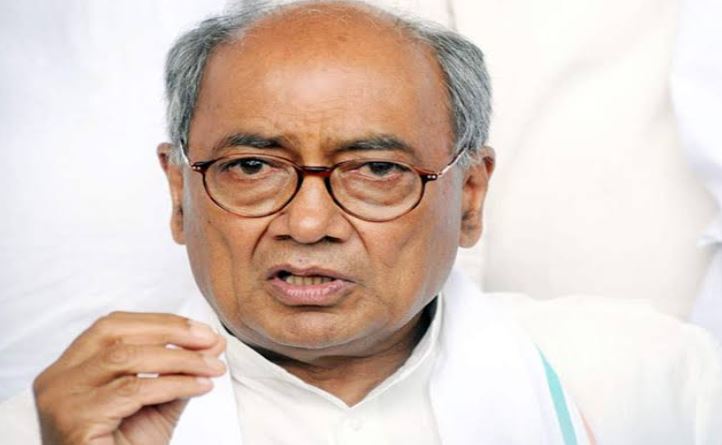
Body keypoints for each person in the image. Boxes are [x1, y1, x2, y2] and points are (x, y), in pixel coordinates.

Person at [0, 1, 718, 444]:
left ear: (470, 197)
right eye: (252, 165)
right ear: (179, 192)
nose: (309, 221)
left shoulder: (657, 381)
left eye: (375, 170)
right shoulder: (58, 425)